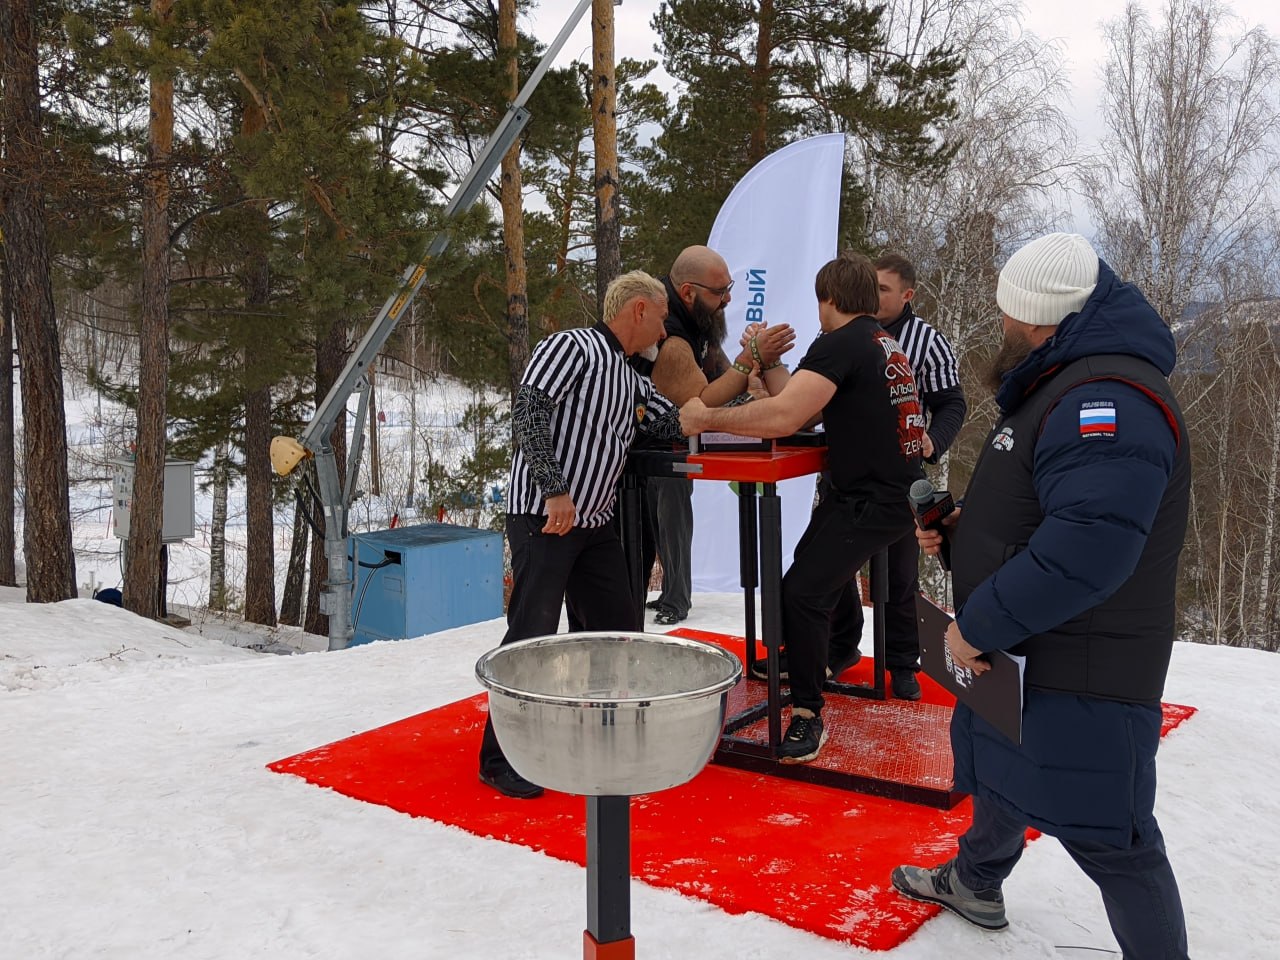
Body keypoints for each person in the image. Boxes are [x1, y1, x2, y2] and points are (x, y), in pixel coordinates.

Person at [891, 233, 1191, 958]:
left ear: (1038, 321)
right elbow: (1050, 515)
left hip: (1082, 667)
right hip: (1030, 655)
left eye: (1007, 318)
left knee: (1115, 840)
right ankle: (975, 879)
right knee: (1002, 779)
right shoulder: (1067, 378)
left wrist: (979, 624)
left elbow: (1089, 549)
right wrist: (966, 535)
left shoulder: (1107, 402)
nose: (1002, 329)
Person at [680, 253, 925, 763]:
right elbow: (802, 401)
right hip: (881, 494)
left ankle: (808, 713)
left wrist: (706, 417)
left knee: (803, 591)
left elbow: (785, 414)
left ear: (828, 299)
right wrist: (766, 363)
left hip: (871, 499)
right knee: (806, 582)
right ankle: (814, 661)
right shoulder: (876, 339)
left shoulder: (842, 342)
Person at [478, 270, 686, 799]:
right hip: (546, 517)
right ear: (639, 309)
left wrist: (750, 384)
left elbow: (677, 422)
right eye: (662, 319)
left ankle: (602, 731)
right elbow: (528, 413)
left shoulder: (633, 379)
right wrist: (554, 488)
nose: (664, 332)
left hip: (595, 525)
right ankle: (500, 758)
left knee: (618, 629)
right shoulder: (572, 346)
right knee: (531, 635)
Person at [824, 253, 967, 700]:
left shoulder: (927, 340)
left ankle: (903, 662)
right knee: (831, 565)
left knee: (899, 575)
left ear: (906, 295)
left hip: (900, 475)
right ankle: (839, 648)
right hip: (844, 472)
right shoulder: (839, 331)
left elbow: (952, 403)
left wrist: (932, 439)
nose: (873, 295)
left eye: (882, 289)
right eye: (870, 287)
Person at [631, 245, 794, 625]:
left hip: (663, 438)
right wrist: (749, 361)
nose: (729, 299)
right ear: (688, 292)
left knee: (666, 522)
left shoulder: (696, 322)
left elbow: (719, 377)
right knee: (659, 523)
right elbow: (699, 403)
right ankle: (667, 599)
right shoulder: (670, 339)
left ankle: (671, 596)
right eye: (719, 293)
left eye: (730, 288)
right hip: (652, 440)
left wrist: (748, 376)